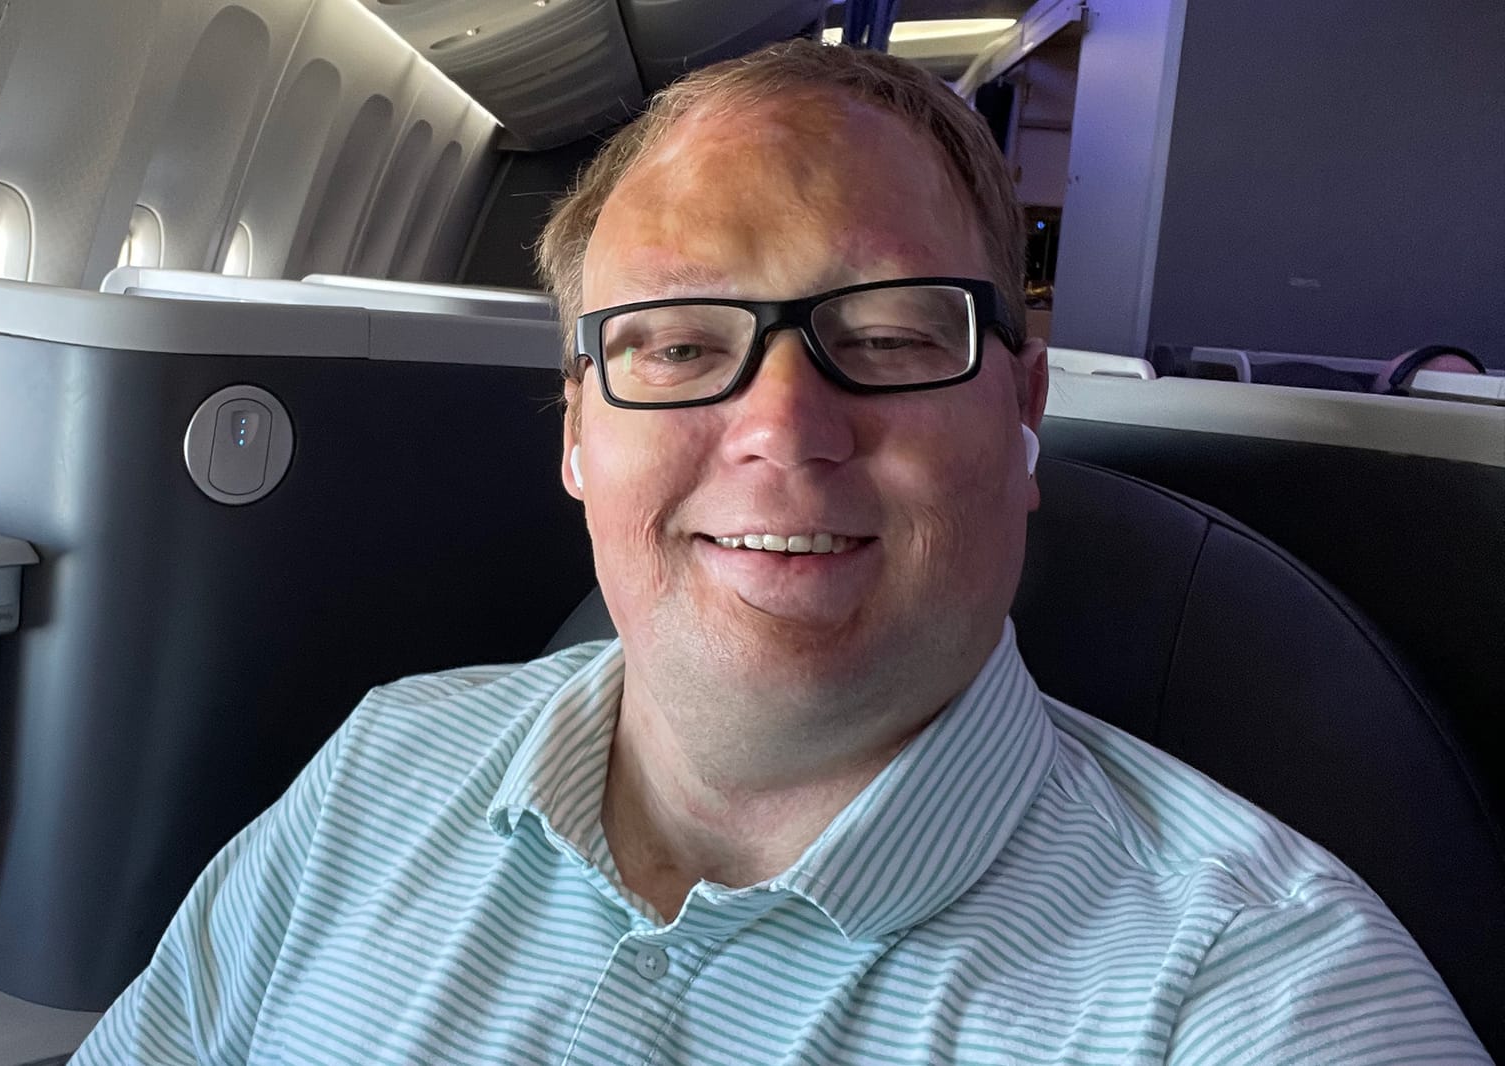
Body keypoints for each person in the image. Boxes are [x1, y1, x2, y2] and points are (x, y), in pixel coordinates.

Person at [74, 40, 1485, 1063]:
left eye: (885, 335)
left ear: (1021, 405)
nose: (785, 428)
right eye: (680, 344)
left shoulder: (1263, 1000)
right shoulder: (379, 774)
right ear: (577, 433)